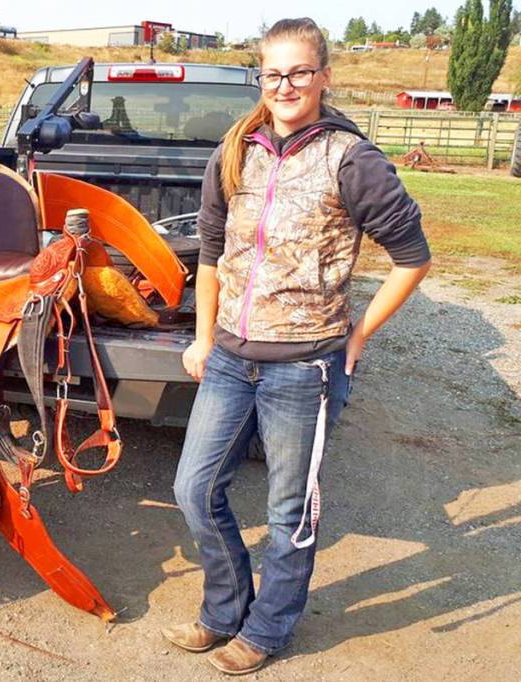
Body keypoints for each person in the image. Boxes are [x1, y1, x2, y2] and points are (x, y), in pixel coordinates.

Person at [164, 18, 432, 675]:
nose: (284, 85)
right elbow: (210, 255)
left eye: (298, 72)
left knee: (289, 513)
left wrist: (359, 333)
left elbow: (412, 258)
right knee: (194, 491)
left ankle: (267, 628)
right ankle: (225, 611)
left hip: (305, 367)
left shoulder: (351, 159)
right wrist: (202, 339)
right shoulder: (236, 150)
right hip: (230, 357)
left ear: (323, 76)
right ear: (261, 75)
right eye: (273, 73)